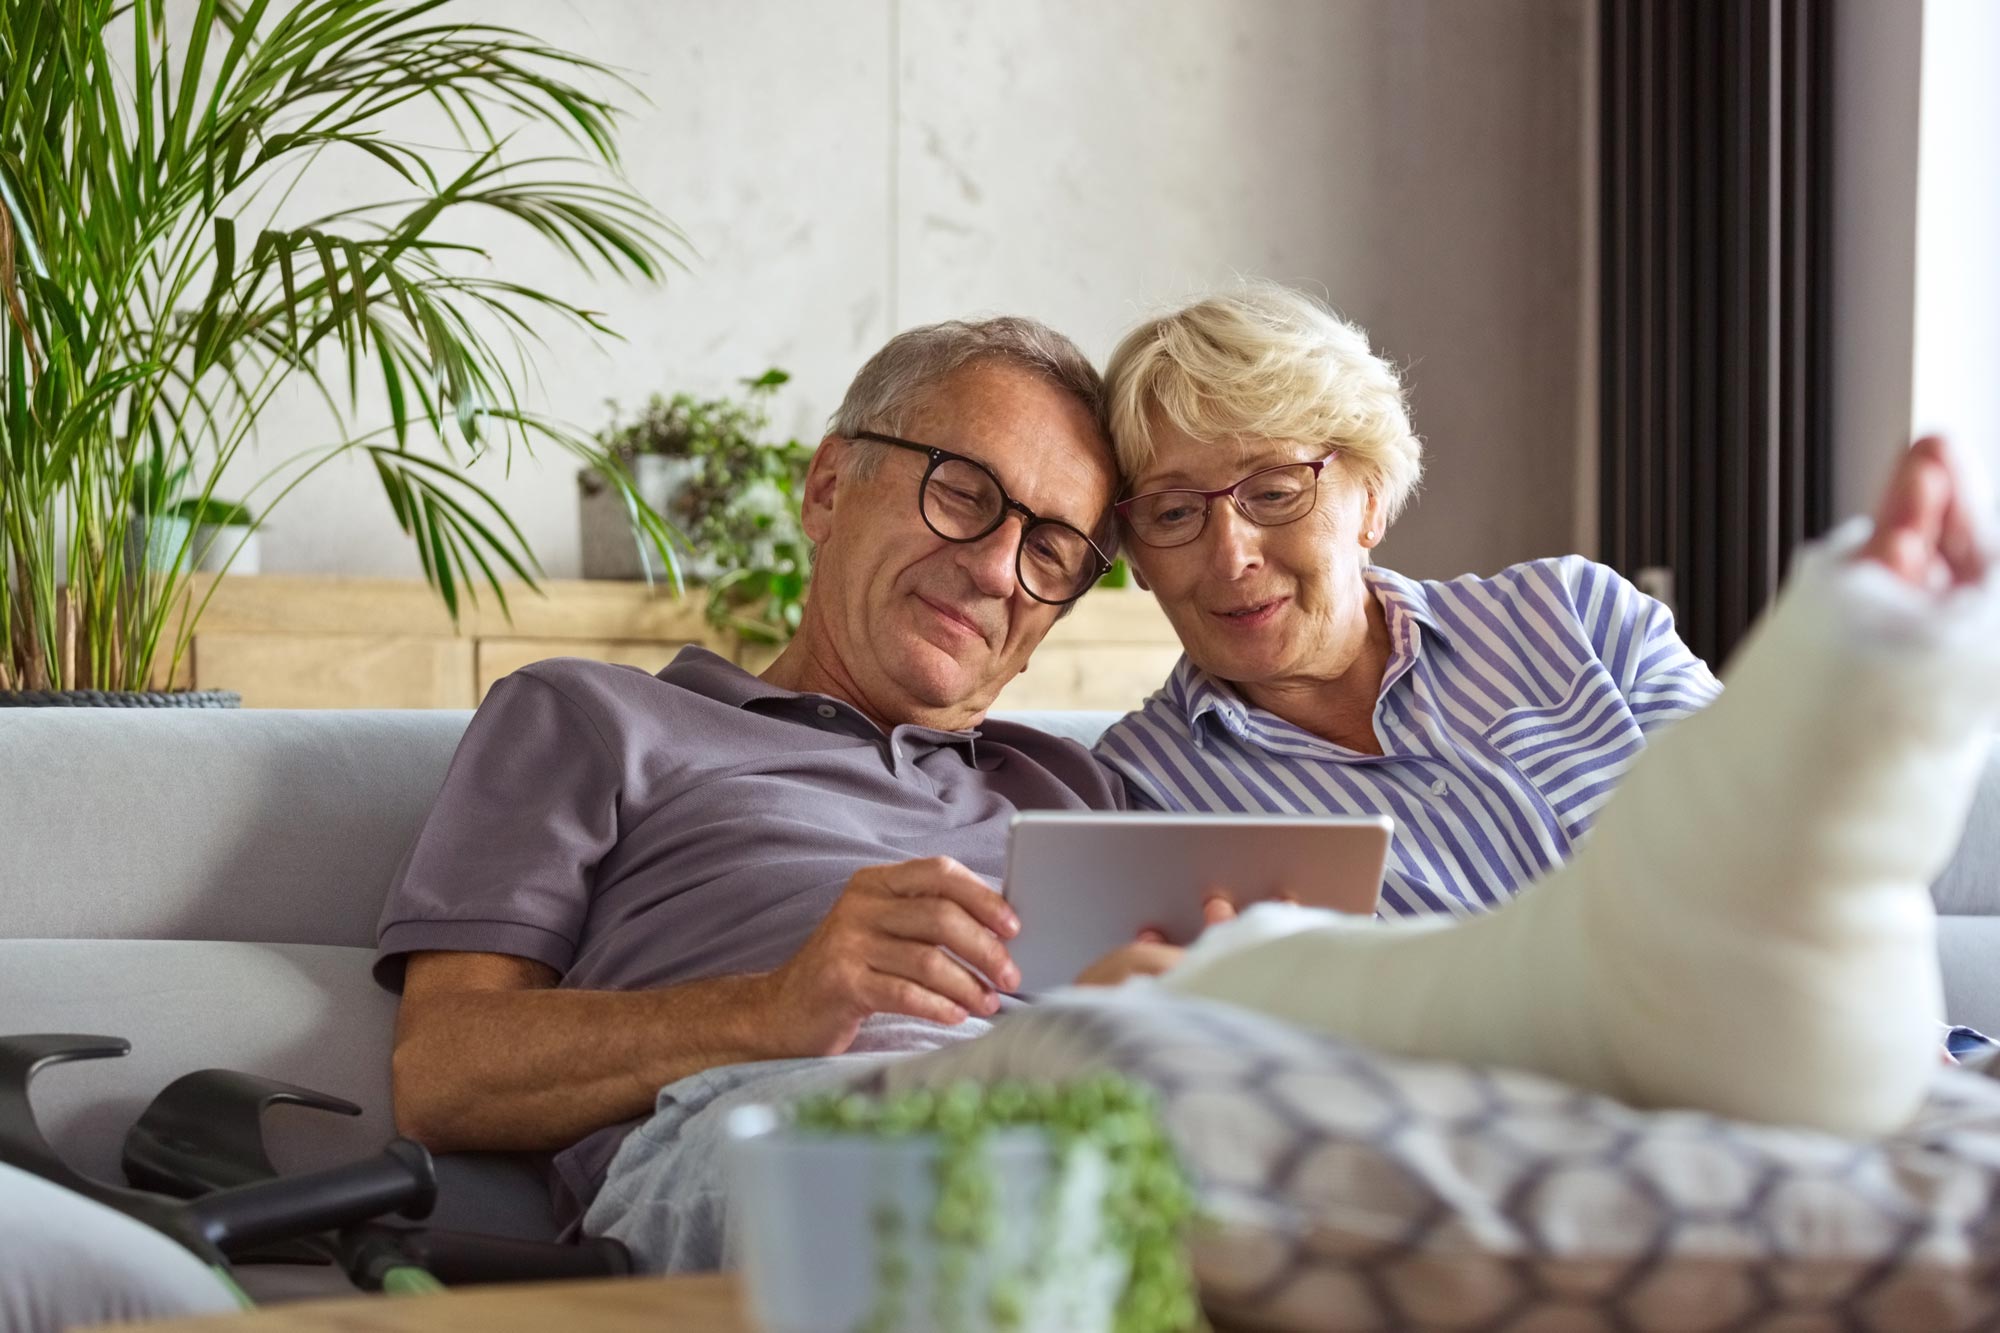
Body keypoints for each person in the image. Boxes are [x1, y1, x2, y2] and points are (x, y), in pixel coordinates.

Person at [376, 316, 1130, 1262]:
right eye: (962, 492)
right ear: (826, 489)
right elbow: (443, 1071)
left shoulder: (1075, 784)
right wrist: (774, 1006)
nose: (992, 568)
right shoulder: (591, 717)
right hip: (772, 1127)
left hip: (1091, 1123)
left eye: (1051, 551)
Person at [1092, 283, 1724, 919]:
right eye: (1172, 513)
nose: (1233, 557)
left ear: (1369, 500)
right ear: (1137, 558)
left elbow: (1783, 838)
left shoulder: (1578, 618)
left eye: (1276, 493)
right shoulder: (1134, 795)